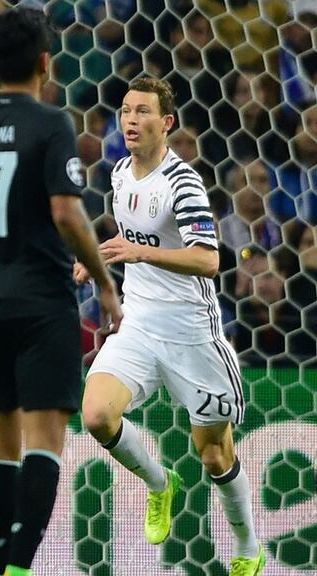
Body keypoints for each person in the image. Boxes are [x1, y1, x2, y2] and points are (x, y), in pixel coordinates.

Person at [0, 8, 121, 576]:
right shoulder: (49, 123)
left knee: (1, 444)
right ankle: (18, 568)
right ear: (46, 62)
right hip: (42, 302)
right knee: (45, 443)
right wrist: (105, 282)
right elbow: (67, 212)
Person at [78, 78, 265, 576]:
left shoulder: (183, 183)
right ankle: (161, 485)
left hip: (192, 336)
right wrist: (100, 255)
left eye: (142, 112)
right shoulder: (119, 173)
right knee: (96, 415)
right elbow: (132, 231)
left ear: (166, 123)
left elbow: (209, 259)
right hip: (138, 325)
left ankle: (249, 547)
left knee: (215, 456)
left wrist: (139, 253)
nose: (130, 120)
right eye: (124, 111)